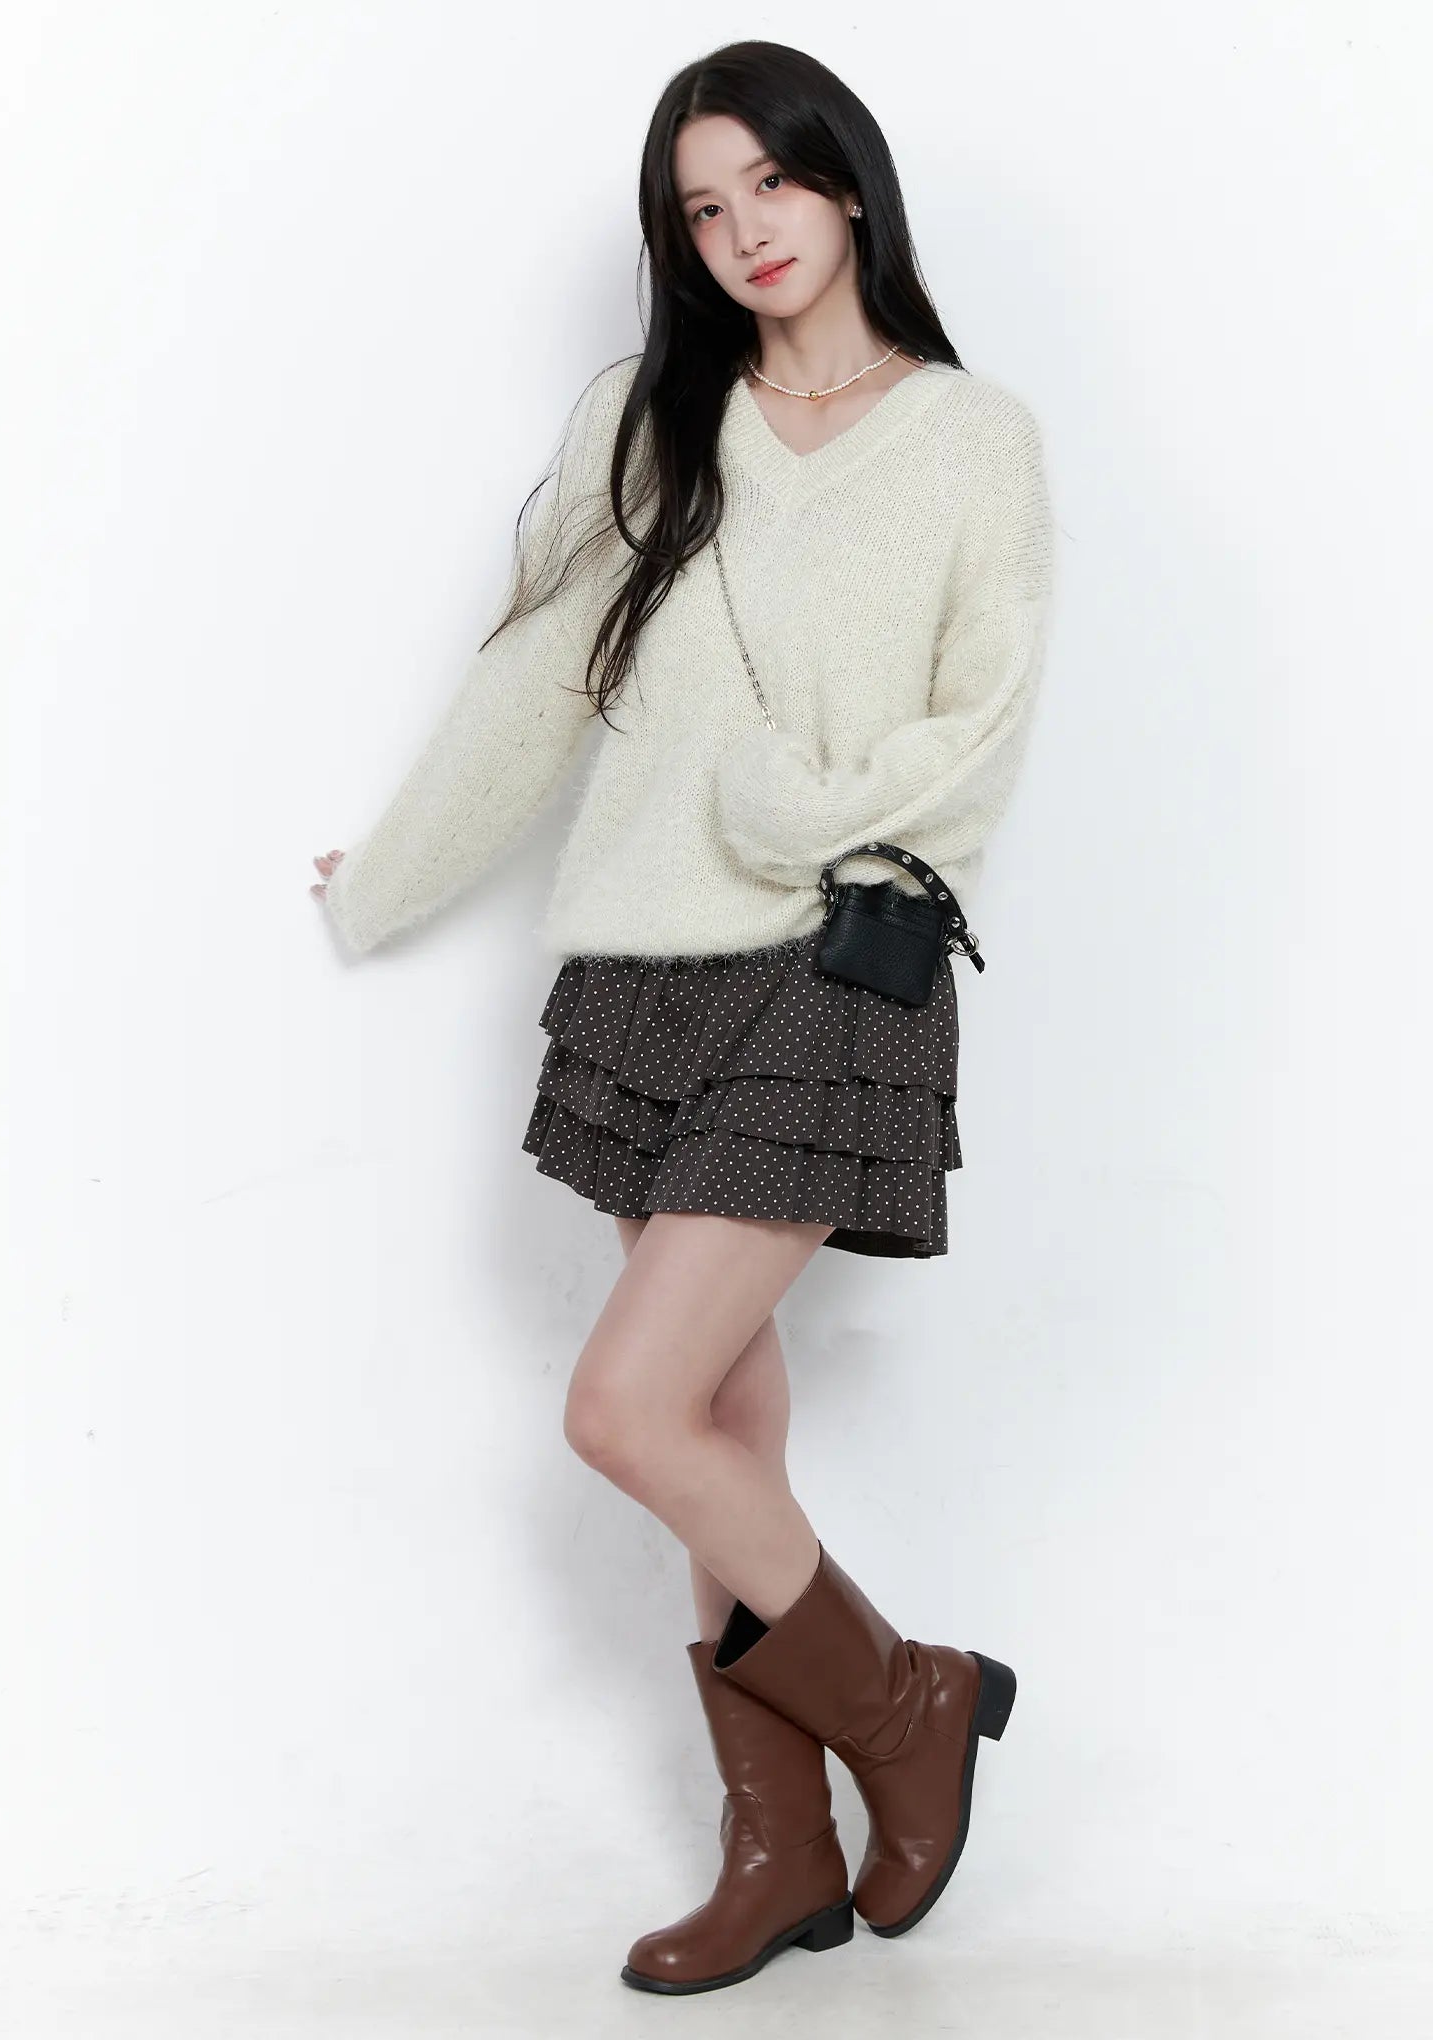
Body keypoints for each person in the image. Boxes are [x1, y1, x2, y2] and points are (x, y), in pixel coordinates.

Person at [310, 37, 1053, 1998]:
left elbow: (980, 727)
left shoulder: (971, 438)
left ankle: (912, 1704)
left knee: (624, 1408)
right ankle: (778, 1847)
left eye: (770, 187)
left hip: (836, 954)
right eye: (703, 212)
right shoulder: (653, 421)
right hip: (645, 965)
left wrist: (794, 810)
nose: (744, 234)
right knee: (718, 1417)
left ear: (848, 184)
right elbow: (536, 681)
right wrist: (386, 878)